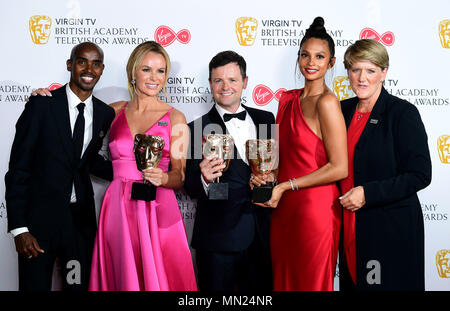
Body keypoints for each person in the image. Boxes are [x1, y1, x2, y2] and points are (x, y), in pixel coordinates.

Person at [5, 42, 115, 291]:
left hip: (78, 229)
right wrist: (20, 228)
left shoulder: (104, 113)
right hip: (38, 227)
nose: (89, 68)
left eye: (96, 63)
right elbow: (18, 169)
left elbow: (86, 160)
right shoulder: (42, 105)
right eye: (82, 61)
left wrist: (131, 170)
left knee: (75, 286)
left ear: (102, 69)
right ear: (70, 64)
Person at [88, 41, 197, 291]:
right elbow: (75, 118)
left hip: (158, 206)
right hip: (118, 206)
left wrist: (163, 178)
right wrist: (45, 98)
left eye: (160, 71)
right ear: (133, 72)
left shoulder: (176, 118)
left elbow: (179, 175)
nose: (154, 77)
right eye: (147, 69)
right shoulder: (113, 111)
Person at [256, 17, 348, 290]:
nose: (311, 62)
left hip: (315, 210)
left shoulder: (328, 102)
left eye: (320, 57)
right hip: (283, 208)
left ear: (331, 63)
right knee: (283, 281)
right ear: (298, 58)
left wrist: (287, 185)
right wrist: (265, 177)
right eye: (305, 55)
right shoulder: (286, 100)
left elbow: (339, 167)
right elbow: (279, 158)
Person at [338, 39, 431, 291]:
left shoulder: (402, 113)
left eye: (370, 70)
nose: (361, 78)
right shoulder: (341, 110)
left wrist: (368, 193)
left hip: (388, 230)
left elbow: (419, 175)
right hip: (348, 225)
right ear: (348, 72)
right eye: (355, 69)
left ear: (384, 73)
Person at [184, 50, 274, 291]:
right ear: (210, 84)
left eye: (232, 80)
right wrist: (203, 178)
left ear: (245, 82)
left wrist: (270, 179)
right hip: (217, 241)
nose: (226, 87)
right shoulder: (196, 128)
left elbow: (273, 170)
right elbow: (189, 186)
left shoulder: (267, 118)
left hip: (261, 237)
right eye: (218, 80)